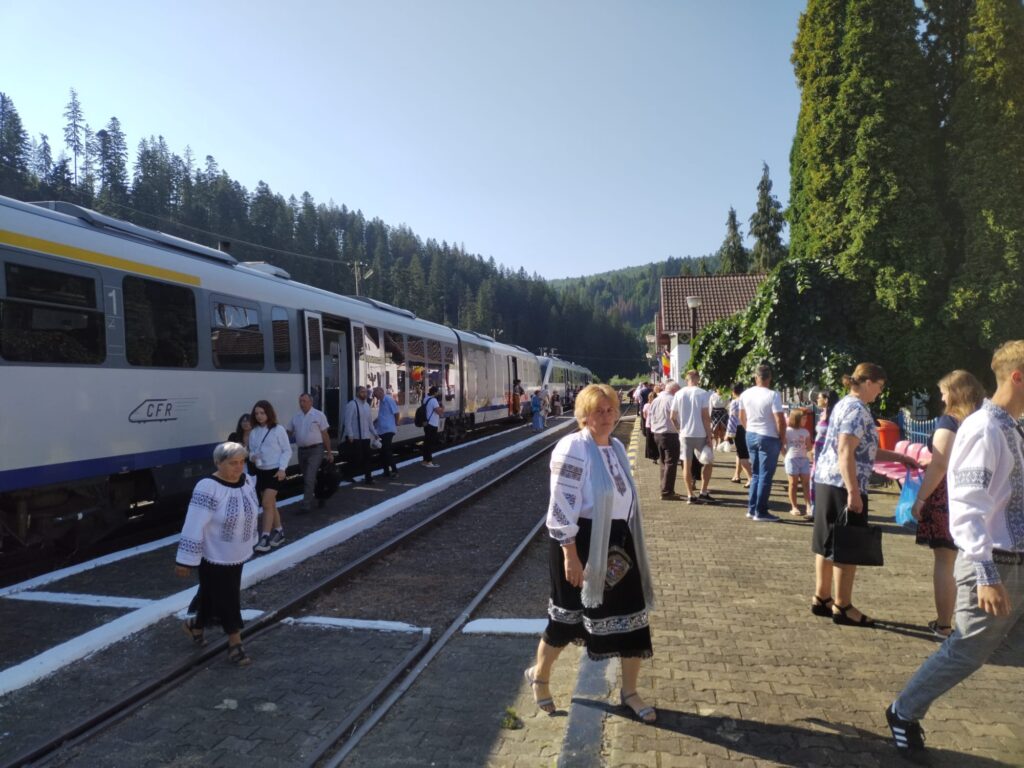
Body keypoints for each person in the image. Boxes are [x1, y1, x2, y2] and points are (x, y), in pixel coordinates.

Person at [887, 342, 1024, 763]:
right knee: (965, 650)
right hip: (995, 561)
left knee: (988, 650)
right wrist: (986, 574)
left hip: (1015, 559)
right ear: (1018, 377)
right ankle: (903, 711)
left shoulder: (1013, 426)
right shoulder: (984, 428)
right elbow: (966, 507)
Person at [526, 383, 657, 723]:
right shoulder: (573, 448)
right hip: (580, 543)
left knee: (632, 615)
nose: (607, 416)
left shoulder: (615, 447)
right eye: (599, 410)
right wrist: (570, 554)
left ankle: (630, 692)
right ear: (584, 415)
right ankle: (540, 677)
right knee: (566, 619)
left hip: (619, 545)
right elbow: (561, 505)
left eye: (611, 409)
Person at [810, 363, 919, 625]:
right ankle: (843, 605)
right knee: (847, 545)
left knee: (826, 543)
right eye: (879, 387)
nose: (879, 392)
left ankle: (822, 597)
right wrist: (853, 492)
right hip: (844, 484)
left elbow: (862, 450)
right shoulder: (858, 410)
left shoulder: (843, 404)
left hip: (827, 480)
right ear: (868, 382)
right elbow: (846, 451)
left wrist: (900, 457)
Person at [911, 370, 985, 638]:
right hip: (977, 492)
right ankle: (979, 625)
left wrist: (921, 498)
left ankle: (944, 624)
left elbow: (941, 464)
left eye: (943, 392)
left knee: (945, 560)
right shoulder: (982, 419)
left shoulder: (950, 421)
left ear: (954, 393)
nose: (941, 397)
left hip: (947, 496)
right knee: (975, 560)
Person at [175, 442, 259, 666]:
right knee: (228, 596)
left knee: (212, 592)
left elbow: (251, 511)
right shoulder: (207, 487)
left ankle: (196, 625)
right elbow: (194, 523)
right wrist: (185, 559)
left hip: (236, 553)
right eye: (232, 463)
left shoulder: (246, 481)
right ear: (218, 463)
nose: (238, 467)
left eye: (241, 462)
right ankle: (235, 643)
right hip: (213, 553)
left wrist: (252, 540)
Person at [739, 364, 787, 522]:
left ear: (756, 377)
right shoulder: (773, 395)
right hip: (768, 436)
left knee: (756, 474)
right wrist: (782, 438)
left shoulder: (745, 394)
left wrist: (748, 429)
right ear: (770, 378)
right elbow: (780, 419)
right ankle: (761, 511)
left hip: (751, 434)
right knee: (765, 476)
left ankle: (752, 508)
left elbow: (741, 416)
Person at [249, 400, 292, 553]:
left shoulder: (278, 430)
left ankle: (265, 537)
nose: (259, 416)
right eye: (256, 413)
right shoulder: (254, 432)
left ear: (269, 413)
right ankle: (279, 532)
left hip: (275, 471)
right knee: (271, 504)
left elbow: (287, 450)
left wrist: (282, 469)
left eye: (262, 413)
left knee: (266, 503)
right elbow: (251, 451)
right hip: (261, 472)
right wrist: (253, 457)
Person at [674, 370, 715, 504]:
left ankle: (690, 495)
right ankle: (703, 491)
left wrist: (679, 430)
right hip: (701, 433)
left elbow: (672, 416)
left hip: (685, 435)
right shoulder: (703, 393)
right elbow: (705, 416)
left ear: (687, 379)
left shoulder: (679, 394)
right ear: (697, 378)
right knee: (708, 462)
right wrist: (709, 435)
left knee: (687, 465)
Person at [288, 393, 333, 511]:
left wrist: (329, 452)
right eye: (300, 401)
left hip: (316, 450)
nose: (302, 403)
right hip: (302, 451)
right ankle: (321, 495)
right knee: (308, 477)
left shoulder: (319, 415)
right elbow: (288, 433)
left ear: (311, 402)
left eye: (304, 401)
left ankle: (306, 505)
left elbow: (325, 435)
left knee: (309, 477)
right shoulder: (296, 417)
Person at [809, 389, 840, 520]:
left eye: (819, 397)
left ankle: (821, 511)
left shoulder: (835, 415)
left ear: (826, 400)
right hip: (818, 451)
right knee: (813, 479)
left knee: (822, 480)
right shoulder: (823, 413)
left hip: (827, 453)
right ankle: (814, 510)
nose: (817, 400)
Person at [649, 381, 682, 500]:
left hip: (657, 433)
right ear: (674, 390)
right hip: (670, 434)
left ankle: (664, 487)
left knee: (663, 462)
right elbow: (677, 417)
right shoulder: (672, 400)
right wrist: (680, 429)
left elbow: (650, 416)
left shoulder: (656, 400)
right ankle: (667, 491)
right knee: (671, 462)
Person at [342, 385, 379, 485]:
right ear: (357, 393)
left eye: (365, 392)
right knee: (357, 458)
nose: (365, 394)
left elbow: (370, 422)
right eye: (362, 392)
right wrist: (350, 435)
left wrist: (375, 433)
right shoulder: (352, 404)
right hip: (355, 437)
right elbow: (347, 421)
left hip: (366, 437)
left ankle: (368, 478)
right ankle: (347, 474)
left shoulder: (367, 405)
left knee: (367, 458)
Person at [784, 409, 812, 516]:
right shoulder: (787, 431)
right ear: (797, 419)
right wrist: (786, 455)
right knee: (793, 484)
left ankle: (808, 506)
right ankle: (794, 507)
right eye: (803, 418)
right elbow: (782, 444)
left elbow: (809, 447)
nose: (806, 420)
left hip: (803, 459)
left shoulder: (805, 432)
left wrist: (808, 448)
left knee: (806, 484)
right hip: (792, 459)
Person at [727, 383, 752, 487]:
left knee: (743, 455)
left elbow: (732, 419)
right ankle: (736, 475)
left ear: (733, 392)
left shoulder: (735, 402)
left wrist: (729, 433)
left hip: (739, 429)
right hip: (749, 427)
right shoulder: (748, 400)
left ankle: (751, 478)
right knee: (740, 453)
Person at [373, 386, 400, 478]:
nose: (375, 396)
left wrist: (396, 423)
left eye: (376, 394)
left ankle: (395, 471)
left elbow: (396, 413)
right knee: (383, 451)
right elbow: (383, 415)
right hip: (381, 430)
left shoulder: (388, 400)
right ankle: (386, 472)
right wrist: (374, 421)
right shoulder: (381, 401)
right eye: (375, 395)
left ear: (381, 392)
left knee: (387, 451)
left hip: (388, 430)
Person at [421, 385, 444, 467]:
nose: (438, 394)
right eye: (437, 392)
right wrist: (442, 407)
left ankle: (425, 460)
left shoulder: (426, 399)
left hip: (426, 423)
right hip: (432, 424)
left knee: (426, 443)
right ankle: (429, 461)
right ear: (435, 393)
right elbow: (439, 412)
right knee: (430, 443)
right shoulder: (434, 400)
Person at [642, 390, 659, 464]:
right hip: (656, 425)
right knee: (657, 442)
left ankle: (653, 457)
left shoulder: (646, 405)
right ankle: (658, 455)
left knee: (650, 442)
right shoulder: (658, 405)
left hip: (648, 425)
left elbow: (644, 416)